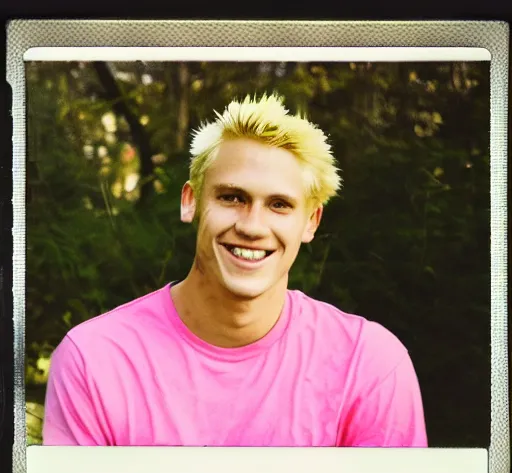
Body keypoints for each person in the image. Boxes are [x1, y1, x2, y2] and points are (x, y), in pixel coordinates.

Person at [43, 93, 428, 447]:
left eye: (279, 204)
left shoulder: (370, 367)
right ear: (191, 202)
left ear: (311, 221)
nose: (252, 226)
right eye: (231, 197)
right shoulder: (93, 360)